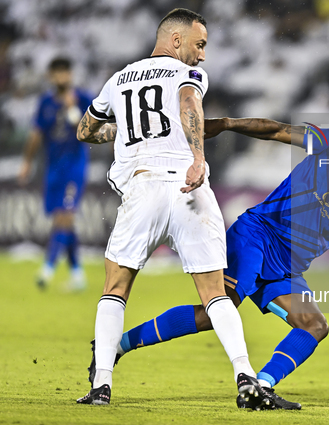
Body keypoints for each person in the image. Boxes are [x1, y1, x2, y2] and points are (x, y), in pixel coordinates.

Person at [86, 115, 329, 410]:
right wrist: (226, 124)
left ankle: (260, 387)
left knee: (314, 325)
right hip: (257, 236)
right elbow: (278, 131)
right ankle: (115, 346)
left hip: (286, 267)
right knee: (216, 312)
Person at [74, 8, 269, 407]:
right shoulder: (187, 75)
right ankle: (246, 377)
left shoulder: (118, 79)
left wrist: (120, 131)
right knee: (215, 293)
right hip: (188, 186)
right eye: (199, 45)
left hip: (143, 190)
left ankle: (101, 386)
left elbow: (85, 130)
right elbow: (188, 105)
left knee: (115, 288)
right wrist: (198, 156)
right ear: (176, 40)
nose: (201, 55)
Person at [18, 57, 93, 291]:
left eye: (65, 72)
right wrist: (27, 162)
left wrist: (72, 108)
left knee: (65, 215)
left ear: (70, 74)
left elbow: (89, 130)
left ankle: (47, 269)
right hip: (53, 169)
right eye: (57, 73)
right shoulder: (45, 103)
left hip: (75, 167)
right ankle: (77, 274)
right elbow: (36, 134)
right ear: (51, 76)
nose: (61, 77)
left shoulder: (82, 99)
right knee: (62, 221)